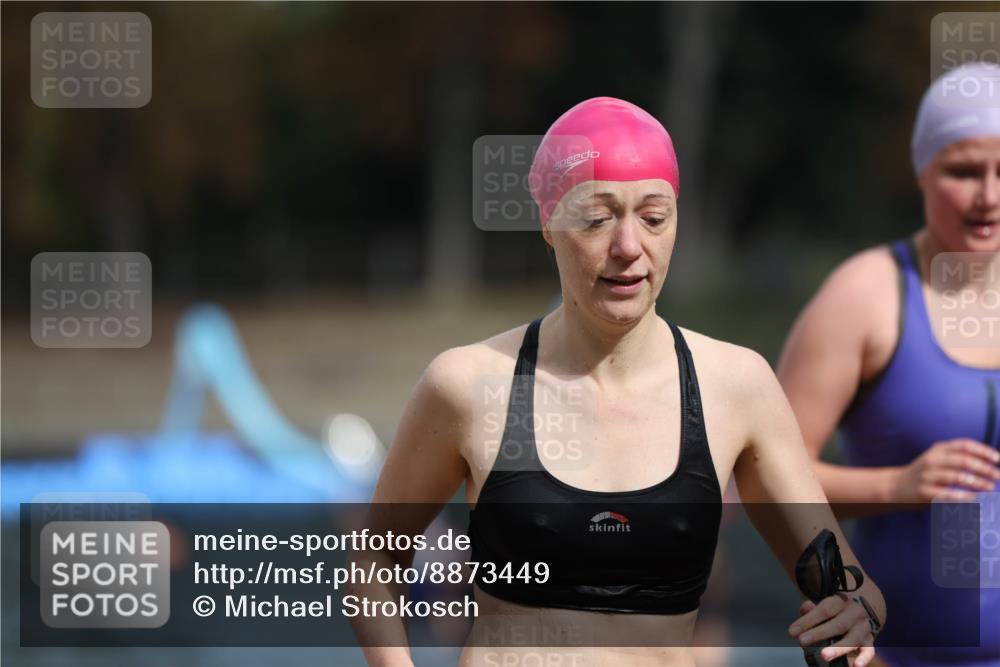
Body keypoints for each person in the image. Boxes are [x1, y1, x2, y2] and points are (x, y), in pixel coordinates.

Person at [354, 96, 886, 667]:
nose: (629, 247)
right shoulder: (469, 384)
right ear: (549, 224)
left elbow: (850, 587)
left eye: (654, 218)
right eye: (597, 218)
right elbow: (373, 562)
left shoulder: (735, 385)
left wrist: (857, 613)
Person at [777, 62, 1000, 667]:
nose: (990, 196)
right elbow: (762, 479)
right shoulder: (866, 296)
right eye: (963, 171)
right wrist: (894, 487)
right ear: (922, 171)